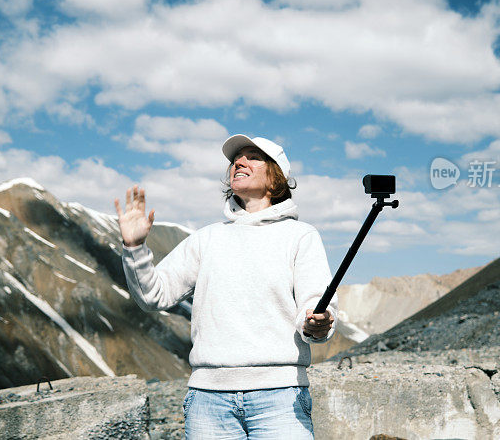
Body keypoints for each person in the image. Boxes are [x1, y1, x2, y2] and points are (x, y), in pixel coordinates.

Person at [115, 134, 338, 439]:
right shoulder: (207, 238)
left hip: (280, 397)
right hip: (208, 399)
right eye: (236, 158)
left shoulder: (300, 236)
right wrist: (135, 246)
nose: (239, 162)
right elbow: (154, 294)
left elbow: (315, 307)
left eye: (253, 157)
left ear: (276, 179)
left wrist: (317, 323)